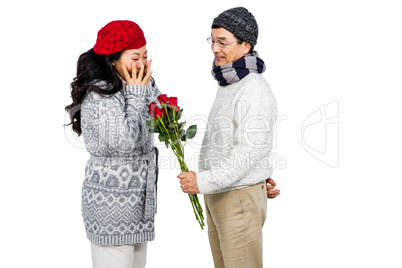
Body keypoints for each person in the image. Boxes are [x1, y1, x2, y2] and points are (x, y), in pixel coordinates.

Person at [177, 7, 279, 268]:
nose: (214, 48)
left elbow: (248, 151)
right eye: (212, 40)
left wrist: (203, 180)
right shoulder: (230, 84)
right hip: (220, 195)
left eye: (223, 41)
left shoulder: (253, 87)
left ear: (246, 45)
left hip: (237, 199)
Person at [65, 20, 161, 268]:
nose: (141, 64)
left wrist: (147, 92)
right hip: (110, 209)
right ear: (113, 60)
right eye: (135, 57)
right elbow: (125, 144)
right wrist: (138, 94)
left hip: (139, 207)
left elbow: (162, 118)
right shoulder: (99, 94)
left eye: (145, 56)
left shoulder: (137, 83)